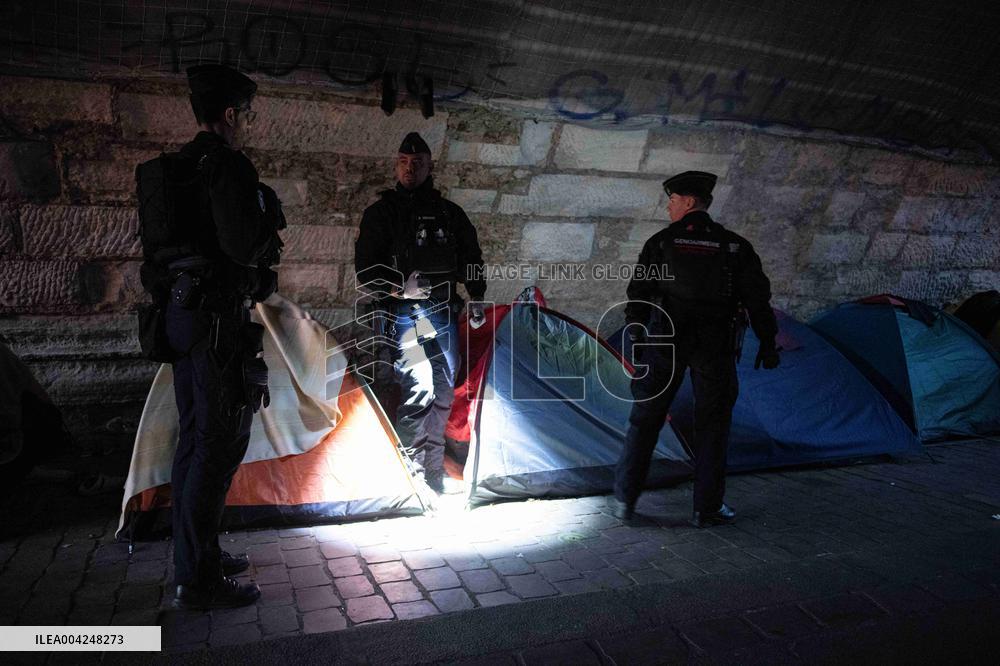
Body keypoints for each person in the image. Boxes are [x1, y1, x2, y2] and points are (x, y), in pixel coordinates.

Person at [139, 64, 282, 609]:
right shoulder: (226, 166)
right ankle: (196, 580)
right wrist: (263, 265)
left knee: (196, 440)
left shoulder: (176, 170)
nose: (246, 122)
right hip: (217, 320)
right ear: (229, 114)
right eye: (244, 113)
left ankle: (196, 554)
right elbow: (245, 247)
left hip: (181, 316)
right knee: (219, 444)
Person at [612, 170, 780, 527]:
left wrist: (637, 336)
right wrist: (768, 340)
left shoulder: (660, 242)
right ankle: (707, 508)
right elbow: (757, 300)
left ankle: (626, 499)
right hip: (715, 345)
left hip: (665, 340)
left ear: (689, 202)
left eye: (673, 200)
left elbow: (638, 295)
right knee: (713, 425)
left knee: (645, 420)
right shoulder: (735, 246)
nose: (669, 206)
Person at [354, 132, 486, 494]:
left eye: (417, 163)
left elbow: (472, 258)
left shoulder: (449, 214)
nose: (409, 168)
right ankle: (412, 473)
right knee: (419, 387)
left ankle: (433, 471)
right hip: (404, 314)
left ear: (430, 167)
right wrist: (399, 288)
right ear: (396, 165)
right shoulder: (382, 214)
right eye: (403, 161)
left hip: (443, 310)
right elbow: (365, 269)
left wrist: (476, 297)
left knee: (443, 390)